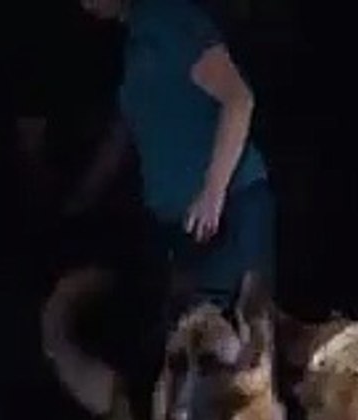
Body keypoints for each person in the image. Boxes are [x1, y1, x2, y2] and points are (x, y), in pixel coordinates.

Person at [70, 0, 274, 310]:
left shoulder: (170, 20)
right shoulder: (137, 40)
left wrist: (213, 193)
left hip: (224, 212)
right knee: (188, 328)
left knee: (223, 330)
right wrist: (83, 196)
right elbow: (128, 132)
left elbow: (239, 99)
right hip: (179, 219)